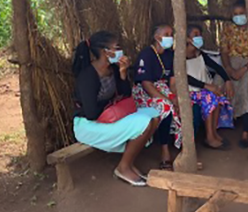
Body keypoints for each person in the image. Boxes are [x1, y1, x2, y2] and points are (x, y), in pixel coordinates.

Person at [72, 31, 159, 187]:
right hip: (87, 125)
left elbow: (125, 94)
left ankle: (129, 163)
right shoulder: (88, 76)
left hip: (107, 117)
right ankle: (123, 168)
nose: (120, 51)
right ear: (105, 51)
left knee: (154, 115)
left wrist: (123, 74)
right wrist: (112, 109)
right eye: (117, 47)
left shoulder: (113, 69)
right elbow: (91, 113)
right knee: (144, 122)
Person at [132, 24, 186, 171]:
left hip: (163, 88)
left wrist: (175, 97)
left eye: (171, 34)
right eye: (167, 34)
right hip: (145, 92)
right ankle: (164, 151)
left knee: (183, 104)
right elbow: (146, 84)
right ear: (157, 38)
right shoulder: (147, 54)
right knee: (166, 107)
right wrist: (168, 100)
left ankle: (184, 147)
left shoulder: (170, 54)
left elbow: (173, 81)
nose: (170, 37)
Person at [220, 0, 248, 149]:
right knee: (218, 84)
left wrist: (243, 70)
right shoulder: (228, 29)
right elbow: (224, 52)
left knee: (247, 88)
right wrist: (229, 69)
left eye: (241, 13)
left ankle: (246, 131)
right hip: (231, 63)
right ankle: (219, 126)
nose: (238, 16)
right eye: (235, 14)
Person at [185, 24, 234, 149]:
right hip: (191, 91)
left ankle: (214, 132)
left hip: (203, 89)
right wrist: (206, 86)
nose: (199, 37)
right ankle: (209, 137)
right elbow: (186, 78)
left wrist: (227, 80)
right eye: (195, 35)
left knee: (217, 97)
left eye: (199, 34)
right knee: (210, 98)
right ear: (186, 38)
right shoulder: (180, 57)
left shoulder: (200, 54)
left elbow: (217, 67)